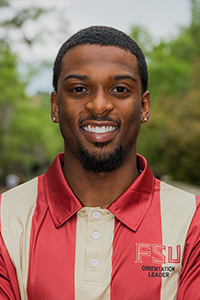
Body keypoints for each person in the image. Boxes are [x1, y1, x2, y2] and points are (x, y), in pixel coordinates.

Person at [0, 26, 199, 300]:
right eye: (79, 89)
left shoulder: (193, 222)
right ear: (55, 106)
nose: (99, 104)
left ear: (144, 107)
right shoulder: (5, 218)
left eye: (120, 89)